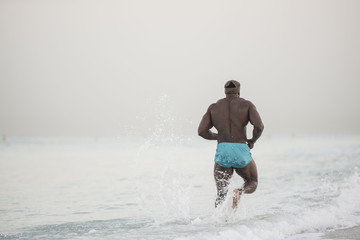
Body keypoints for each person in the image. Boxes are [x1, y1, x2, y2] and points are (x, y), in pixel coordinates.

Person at [198, 80, 264, 209]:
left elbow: (201, 131)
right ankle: (240, 192)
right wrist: (252, 140)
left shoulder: (214, 107)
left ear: (225, 92)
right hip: (240, 148)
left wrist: (218, 136)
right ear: (238, 91)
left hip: (223, 149)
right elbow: (259, 126)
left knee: (221, 194)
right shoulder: (247, 105)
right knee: (252, 181)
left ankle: (218, 224)